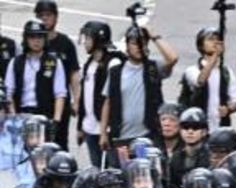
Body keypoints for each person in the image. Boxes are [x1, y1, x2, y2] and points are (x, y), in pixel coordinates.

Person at [101, 24, 177, 166]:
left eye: (143, 43)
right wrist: (103, 132)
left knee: (144, 175)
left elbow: (172, 59)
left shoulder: (153, 69)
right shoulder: (116, 72)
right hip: (121, 140)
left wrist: (154, 37)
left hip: (145, 138)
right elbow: (108, 102)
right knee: (125, 178)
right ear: (127, 46)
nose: (139, 47)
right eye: (135, 43)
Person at [5, 20, 68, 144]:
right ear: (26, 39)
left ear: (45, 38)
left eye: (40, 36)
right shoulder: (16, 62)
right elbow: (9, 92)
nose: (36, 41)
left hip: (45, 117)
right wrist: (13, 117)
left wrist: (55, 121)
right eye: (32, 37)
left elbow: (60, 94)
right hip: (22, 116)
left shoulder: (54, 62)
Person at [33, 1, 78, 149]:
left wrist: (76, 100)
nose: (45, 19)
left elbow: (73, 74)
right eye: (41, 16)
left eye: (48, 15)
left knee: (59, 145)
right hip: (37, 104)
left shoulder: (65, 43)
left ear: (56, 17)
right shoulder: (32, 43)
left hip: (60, 103)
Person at [180, 27, 236, 132]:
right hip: (197, 128)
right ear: (201, 45)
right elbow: (200, 81)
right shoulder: (192, 70)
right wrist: (215, 56)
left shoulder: (226, 72)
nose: (215, 42)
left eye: (217, 39)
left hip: (220, 128)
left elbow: (235, 100)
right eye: (210, 39)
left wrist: (229, 109)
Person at [77, 20, 117, 168]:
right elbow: (83, 97)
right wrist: (80, 127)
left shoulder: (112, 64)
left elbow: (111, 99)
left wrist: (104, 132)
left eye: (88, 38)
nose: (85, 42)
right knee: (96, 169)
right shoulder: (88, 64)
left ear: (98, 40)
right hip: (89, 128)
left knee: (111, 170)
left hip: (105, 130)